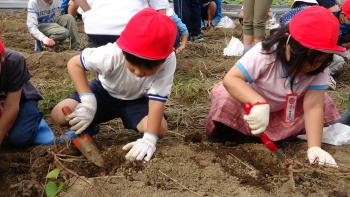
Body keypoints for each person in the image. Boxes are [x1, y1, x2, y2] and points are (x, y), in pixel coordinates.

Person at [206, 6, 343, 167]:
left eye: (318, 62)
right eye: (303, 59)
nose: (309, 67)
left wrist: (314, 147)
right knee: (224, 96)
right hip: (248, 107)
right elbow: (232, 79)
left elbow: (313, 106)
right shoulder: (265, 52)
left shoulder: (320, 68)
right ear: (287, 41)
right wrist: (258, 102)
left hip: (282, 111)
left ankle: (277, 134)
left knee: (323, 102)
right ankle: (236, 134)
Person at [50, 8, 177, 162]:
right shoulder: (111, 54)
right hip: (104, 93)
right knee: (59, 114)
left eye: (146, 71)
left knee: (160, 129)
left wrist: (149, 139)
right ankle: (88, 127)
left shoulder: (168, 60)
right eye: (132, 67)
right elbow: (74, 64)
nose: (137, 73)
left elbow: (157, 99)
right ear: (124, 52)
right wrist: (88, 100)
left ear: (162, 60)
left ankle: (139, 131)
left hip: (137, 100)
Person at [0, 39, 54, 147]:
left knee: (19, 138)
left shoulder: (14, 61)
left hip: (21, 100)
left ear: (2, 57)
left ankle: (36, 122)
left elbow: (11, 106)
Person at [72, 0, 170, 48]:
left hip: (96, 29)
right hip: (130, 30)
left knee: (105, 69)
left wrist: (89, 13)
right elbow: (161, 12)